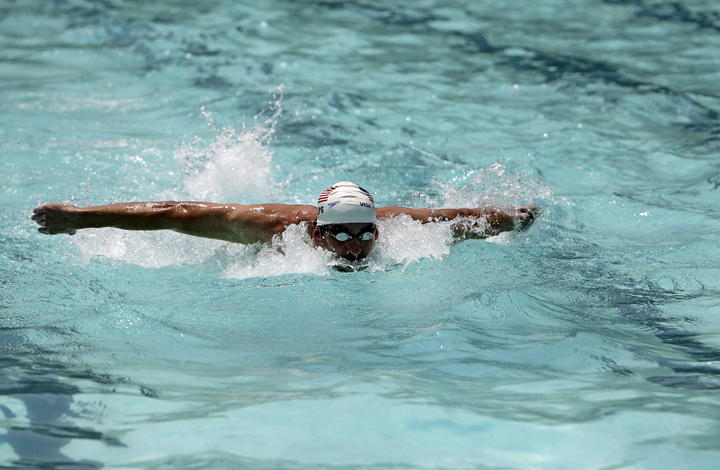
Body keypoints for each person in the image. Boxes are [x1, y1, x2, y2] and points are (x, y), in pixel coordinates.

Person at [31, 181, 537, 262]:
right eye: (337, 233)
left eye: (364, 234)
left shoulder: (396, 225)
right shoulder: (268, 228)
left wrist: (514, 219)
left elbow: (460, 220)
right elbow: (174, 215)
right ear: (314, 231)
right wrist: (79, 218)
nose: (352, 247)